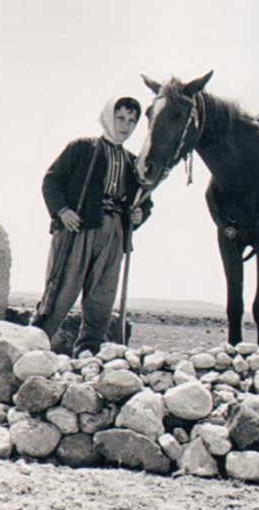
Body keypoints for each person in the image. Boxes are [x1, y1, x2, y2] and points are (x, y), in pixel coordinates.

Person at [32, 96, 153, 356]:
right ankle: (33, 349)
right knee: (61, 291)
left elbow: (145, 202)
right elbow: (51, 181)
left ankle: (88, 354)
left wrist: (139, 215)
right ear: (109, 116)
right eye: (120, 118)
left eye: (132, 121)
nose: (125, 126)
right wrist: (63, 211)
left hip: (115, 234)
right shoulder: (82, 148)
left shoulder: (133, 162)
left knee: (102, 297)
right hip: (79, 230)